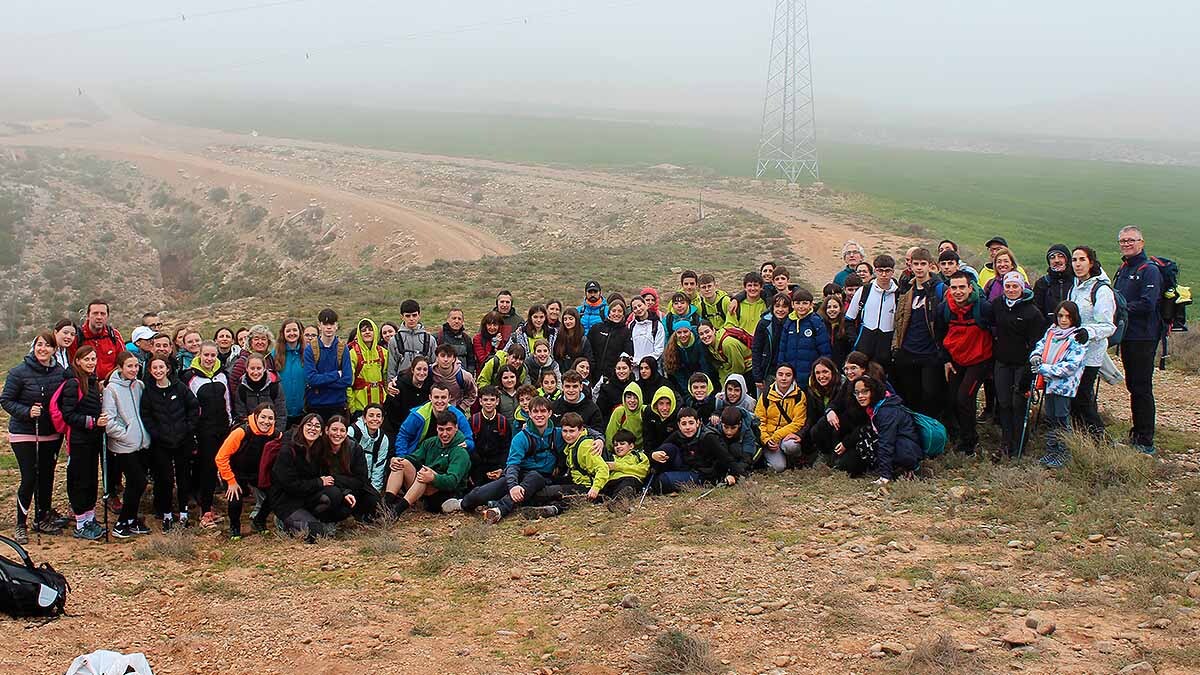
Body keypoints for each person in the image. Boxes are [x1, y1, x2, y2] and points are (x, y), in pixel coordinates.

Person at [450, 397, 562, 524]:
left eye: (543, 411)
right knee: (480, 495)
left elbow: (581, 431)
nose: (539, 415)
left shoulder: (558, 434)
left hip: (541, 479)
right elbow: (513, 465)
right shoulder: (521, 438)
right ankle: (463, 502)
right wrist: (513, 485)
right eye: (535, 412)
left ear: (550, 413)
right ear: (529, 414)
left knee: (534, 477)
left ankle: (499, 510)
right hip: (520, 475)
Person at [2, 330, 68, 543]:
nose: (43, 349)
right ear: (34, 347)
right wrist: (27, 411)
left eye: (47, 346)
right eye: (39, 345)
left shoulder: (59, 371)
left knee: (47, 476)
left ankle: (42, 517)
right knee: (30, 477)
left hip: (50, 433)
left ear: (54, 350)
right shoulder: (18, 372)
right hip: (24, 432)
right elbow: (6, 400)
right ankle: (20, 523)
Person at [1114, 225, 1163, 454]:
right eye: (1123, 241)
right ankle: (1138, 434)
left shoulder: (1149, 270)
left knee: (1141, 387)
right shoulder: (1124, 268)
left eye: (1131, 240)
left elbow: (1148, 303)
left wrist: (1120, 308)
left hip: (1144, 336)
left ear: (1141, 242)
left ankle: (1145, 441)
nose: (1126, 244)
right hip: (1128, 335)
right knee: (1133, 385)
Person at [140, 355, 199, 532]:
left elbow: (193, 408)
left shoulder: (179, 387)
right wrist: (157, 434)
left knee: (183, 478)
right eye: (154, 368)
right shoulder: (148, 392)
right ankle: (166, 515)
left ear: (168, 369)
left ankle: (183, 513)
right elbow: (147, 416)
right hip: (161, 444)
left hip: (182, 441)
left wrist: (187, 428)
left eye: (161, 367)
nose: (158, 371)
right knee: (164, 480)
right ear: (150, 371)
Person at [936, 272, 993, 455]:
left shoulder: (983, 308)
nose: (958, 291)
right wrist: (945, 359)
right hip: (956, 359)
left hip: (980, 360)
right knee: (952, 399)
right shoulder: (944, 309)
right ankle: (959, 434)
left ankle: (970, 441)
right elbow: (940, 334)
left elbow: (996, 331)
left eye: (962, 287)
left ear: (971, 287)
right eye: (954, 287)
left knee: (964, 398)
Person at [991, 271, 1046, 459]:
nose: (1011, 290)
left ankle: (1020, 444)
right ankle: (1006, 443)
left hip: (1022, 364)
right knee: (1004, 403)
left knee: (1018, 403)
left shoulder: (1032, 312)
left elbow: (1036, 344)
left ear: (1022, 288)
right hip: (1002, 362)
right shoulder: (997, 305)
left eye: (1015, 286)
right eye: (1008, 286)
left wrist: (1030, 373)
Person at [58, 346, 108, 540]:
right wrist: (93, 422)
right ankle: (80, 523)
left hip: (92, 438)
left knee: (90, 479)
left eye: (93, 359)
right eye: (86, 359)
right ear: (77, 361)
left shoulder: (92, 381)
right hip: (79, 440)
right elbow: (68, 414)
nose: (90, 362)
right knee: (79, 479)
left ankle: (90, 518)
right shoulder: (73, 383)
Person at [1030, 302, 1088, 467]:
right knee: (1051, 418)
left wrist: (1043, 368)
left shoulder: (1077, 338)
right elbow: (1040, 346)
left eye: (1068, 316)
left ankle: (1064, 452)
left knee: (1062, 419)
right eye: (1060, 315)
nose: (1063, 320)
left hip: (1064, 386)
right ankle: (1052, 451)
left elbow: (1070, 366)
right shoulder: (1051, 332)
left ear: (1074, 318)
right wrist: (1035, 356)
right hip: (1049, 384)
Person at [1068, 246, 1116, 440]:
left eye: (1082, 260)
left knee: (1083, 395)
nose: (1077, 264)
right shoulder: (1076, 288)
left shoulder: (1101, 290)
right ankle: (1081, 436)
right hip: (1073, 351)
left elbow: (1108, 326)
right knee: (1074, 395)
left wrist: (1088, 332)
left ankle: (1099, 438)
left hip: (1091, 353)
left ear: (1092, 263)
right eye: (1074, 260)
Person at [384, 411, 471, 516]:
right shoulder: (430, 442)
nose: (444, 434)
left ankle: (395, 513)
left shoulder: (460, 452)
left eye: (449, 429)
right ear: (437, 428)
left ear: (456, 428)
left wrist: (433, 478)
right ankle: (385, 505)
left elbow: (452, 482)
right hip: (423, 489)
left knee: (424, 475)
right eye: (441, 429)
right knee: (402, 463)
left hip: (444, 494)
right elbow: (413, 458)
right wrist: (396, 460)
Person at [103, 351, 152, 538]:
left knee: (137, 483)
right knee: (137, 481)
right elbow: (109, 420)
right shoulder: (111, 389)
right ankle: (122, 521)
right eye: (129, 366)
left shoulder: (139, 385)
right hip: (124, 446)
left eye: (136, 366)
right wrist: (125, 435)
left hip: (142, 443)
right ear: (120, 367)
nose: (133, 369)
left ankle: (131, 519)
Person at [184, 341, 233, 528]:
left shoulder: (222, 376)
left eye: (213, 356)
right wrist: (193, 432)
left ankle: (225, 507)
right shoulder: (190, 378)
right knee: (208, 470)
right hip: (203, 431)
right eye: (206, 355)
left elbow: (227, 401)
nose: (210, 359)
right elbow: (189, 406)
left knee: (225, 466)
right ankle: (205, 511)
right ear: (200, 355)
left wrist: (230, 422)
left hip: (223, 428)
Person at [890, 248, 943, 417]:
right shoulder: (907, 290)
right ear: (910, 266)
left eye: (923, 264)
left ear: (930, 266)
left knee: (930, 396)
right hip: (908, 351)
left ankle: (930, 433)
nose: (919, 268)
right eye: (916, 264)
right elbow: (899, 321)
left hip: (930, 353)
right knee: (910, 395)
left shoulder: (939, 290)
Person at [215, 403, 281, 538]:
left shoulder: (276, 435)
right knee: (235, 499)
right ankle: (234, 527)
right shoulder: (241, 432)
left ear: (275, 420)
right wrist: (231, 481)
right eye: (263, 417)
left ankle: (260, 520)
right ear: (256, 416)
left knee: (276, 492)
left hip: (257, 473)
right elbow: (221, 457)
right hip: (235, 472)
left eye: (270, 418)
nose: (266, 422)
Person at [650, 407, 741, 492]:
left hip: (703, 474)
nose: (688, 427)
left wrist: (734, 475)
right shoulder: (678, 435)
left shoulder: (708, 437)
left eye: (691, 423)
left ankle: (655, 484)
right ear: (679, 425)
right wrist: (653, 454)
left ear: (698, 423)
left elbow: (727, 458)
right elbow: (661, 447)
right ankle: (651, 478)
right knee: (668, 448)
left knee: (662, 480)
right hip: (687, 465)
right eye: (684, 424)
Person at [850, 376, 922, 483]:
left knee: (884, 445)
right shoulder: (876, 407)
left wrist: (885, 476)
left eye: (865, 391)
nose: (860, 396)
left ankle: (903, 470)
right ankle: (893, 470)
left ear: (873, 391)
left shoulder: (886, 412)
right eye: (857, 392)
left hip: (906, 450)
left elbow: (886, 441)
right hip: (900, 446)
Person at [844, 254, 899, 368]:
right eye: (880, 271)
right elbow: (849, 319)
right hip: (864, 346)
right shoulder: (864, 291)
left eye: (887, 271)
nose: (884, 274)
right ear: (875, 271)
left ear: (893, 272)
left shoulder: (898, 294)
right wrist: (856, 341)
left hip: (886, 347)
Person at [394, 384, 474, 457]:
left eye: (443, 397)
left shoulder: (458, 416)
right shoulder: (418, 415)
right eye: (436, 397)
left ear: (449, 398)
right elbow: (403, 436)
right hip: (420, 454)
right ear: (430, 397)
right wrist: (401, 457)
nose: (439, 401)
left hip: (447, 457)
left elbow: (469, 439)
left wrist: (467, 444)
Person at [754, 363, 807, 472]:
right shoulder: (766, 394)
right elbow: (759, 421)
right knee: (779, 467)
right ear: (776, 376)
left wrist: (777, 436)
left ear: (793, 378)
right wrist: (766, 440)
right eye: (780, 374)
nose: (784, 378)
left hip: (786, 436)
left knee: (792, 446)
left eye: (788, 375)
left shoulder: (799, 396)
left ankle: (795, 459)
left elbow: (798, 422)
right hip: (769, 437)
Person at [304, 308, 352, 421]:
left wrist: (321, 383)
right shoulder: (311, 349)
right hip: (315, 406)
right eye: (325, 324)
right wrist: (336, 375)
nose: (329, 327)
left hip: (338, 405)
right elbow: (311, 379)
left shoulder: (342, 348)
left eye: (332, 323)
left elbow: (348, 380)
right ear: (319, 326)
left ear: (336, 325)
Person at [777, 288, 831, 388]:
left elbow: (824, 350)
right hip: (791, 374)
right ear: (793, 305)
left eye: (805, 303)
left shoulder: (816, 323)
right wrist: (781, 368)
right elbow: (782, 349)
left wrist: (821, 372)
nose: (801, 307)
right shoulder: (788, 323)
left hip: (810, 374)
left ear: (811, 305)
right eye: (798, 303)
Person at [797, 357, 844, 465]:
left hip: (840, 427)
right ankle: (823, 454)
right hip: (821, 430)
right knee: (815, 429)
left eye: (825, 372)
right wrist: (800, 434)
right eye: (817, 373)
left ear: (833, 372)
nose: (821, 376)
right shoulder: (812, 390)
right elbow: (811, 417)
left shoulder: (842, 387)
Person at [556, 413, 609, 503]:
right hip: (575, 481)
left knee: (549, 492)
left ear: (580, 430)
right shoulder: (572, 444)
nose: (568, 435)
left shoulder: (585, 446)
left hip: (586, 486)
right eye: (565, 431)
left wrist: (595, 488)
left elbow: (603, 468)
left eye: (572, 431)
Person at [469, 386, 512, 487]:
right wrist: (470, 472)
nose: (489, 403)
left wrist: (501, 468)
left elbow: (507, 448)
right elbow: (469, 446)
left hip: (496, 466)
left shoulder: (503, 422)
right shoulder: (474, 421)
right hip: (477, 466)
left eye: (492, 400)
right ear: (480, 401)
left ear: (497, 401)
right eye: (485, 400)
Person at [387, 299, 438, 381]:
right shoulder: (394, 340)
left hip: (424, 384)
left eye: (414, 315)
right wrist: (391, 384)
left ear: (419, 315)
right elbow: (391, 367)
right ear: (402, 317)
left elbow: (435, 365)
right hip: (402, 384)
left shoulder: (430, 339)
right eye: (407, 316)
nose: (411, 319)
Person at [346, 318, 388, 417]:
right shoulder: (352, 354)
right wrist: (352, 407)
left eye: (370, 329)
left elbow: (386, 378)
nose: (367, 332)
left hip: (381, 405)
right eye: (363, 330)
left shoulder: (383, 353)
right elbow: (348, 383)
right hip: (360, 407)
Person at [233, 353, 288, 425]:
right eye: (252, 368)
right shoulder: (242, 388)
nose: (255, 372)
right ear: (247, 369)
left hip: (272, 430)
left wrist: (277, 432)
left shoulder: (274, 386)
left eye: (259, 368)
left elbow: (281, 413)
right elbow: (241, 415)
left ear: (264, 368)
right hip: (251, 430)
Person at [75, 300, 124, 381]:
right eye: (95, 313)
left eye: (103, 314)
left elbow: (123, 361)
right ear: (87, 316)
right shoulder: (77, 336)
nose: (99, 317)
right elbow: (72, 363)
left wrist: (108, 381)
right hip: (85, 385)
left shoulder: (114, 335)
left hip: (111, 384)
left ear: (107, 316)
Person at [348, 404, 390, 493]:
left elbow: (379, 466)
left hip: (367, 481)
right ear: (364, 418)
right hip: (348, 478)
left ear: (382, 420)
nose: (375, 419)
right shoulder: (352, 431)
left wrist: (375, 491)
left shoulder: (383, 439)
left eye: (378, 416)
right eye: (371, 415)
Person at [587, 294, 631, 381]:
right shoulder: (597, 328)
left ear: (623, 314)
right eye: (613, 311)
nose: (616, 314)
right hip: (593, 373)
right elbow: (588, 349)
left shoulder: (626, 332)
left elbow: (626, 353)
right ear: (609, 313)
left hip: (613, 376)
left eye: (620, 311)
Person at [662, 324, 714, 394]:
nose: (683, 335)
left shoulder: (699, 343)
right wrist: (688, 391)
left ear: (690, 331)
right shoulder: (673, 347)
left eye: (685, 331)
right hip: (686, 379)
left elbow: (705, 366)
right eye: (679, 333)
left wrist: (704, 386)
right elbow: (678, 372)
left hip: (702, 377)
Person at [274, 319, 307, 428]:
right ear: (283, 333)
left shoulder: (308, 353)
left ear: (300, 332)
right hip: (282, 412)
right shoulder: (275, 354)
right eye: (288, 331)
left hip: (304, 411)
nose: (291, 333)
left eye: (295, 330)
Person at [697, 321, 751, 386]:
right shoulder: (709, 347)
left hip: (749, 370)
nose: (705, 336)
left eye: (707, 332)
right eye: (701, 334)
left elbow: (739, 368)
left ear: (713, 330)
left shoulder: (727, 344)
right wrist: (723, 385)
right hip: (733, 372)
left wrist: (728, 386)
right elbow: (722, 367)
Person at [603, 429, 650, 502]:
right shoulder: (611, 457)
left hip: (631, 481)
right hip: (612, 482)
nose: (618, 447)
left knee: (628, 482)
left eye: (622, 444)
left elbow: (643, 471)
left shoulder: (639, 456)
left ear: (631, 446)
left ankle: (619, 501)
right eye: (615, 445)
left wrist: (617, 467)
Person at [1033, 245, 1073, 325]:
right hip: (1050, 331)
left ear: (1067, 260)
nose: (1056, 260)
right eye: (1052, 257)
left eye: (1061, 256)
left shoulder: (1077, 281)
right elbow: (1037, 312)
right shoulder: (1042, 283)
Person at [431, 343, 478, 411]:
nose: (446, 359)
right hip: (433, 409)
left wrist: (462, 407)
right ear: (437, 358)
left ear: (454, 359)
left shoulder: (464, 376)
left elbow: (473, 394)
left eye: (449, 356)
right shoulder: (430, 373)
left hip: (455, 410)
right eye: (442, 356)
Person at [595, 355, 637, 420]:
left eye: (624, 368)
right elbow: (601, 411)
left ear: (630, 369)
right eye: (618, 368)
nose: (621, 371)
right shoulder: (607, 388)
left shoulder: (636, 386)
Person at [642, 386, 679, 458]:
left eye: (668, 403)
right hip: (653, 453)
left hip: (672, 453)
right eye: (661, 403)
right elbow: (647, 438)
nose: (665, 408)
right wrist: (652, 454)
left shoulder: (677, 415)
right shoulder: (649, 413)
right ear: (656, 405)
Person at [626, 295, 665, 363]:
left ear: (646, 305)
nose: (638, 309)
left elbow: (659, 349)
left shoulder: (657, 325)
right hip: (635, 367)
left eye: (640, 305)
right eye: (635, 308)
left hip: (652, 367)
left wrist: (645, 362)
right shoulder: (631, 326)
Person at [605, 383, 645, 448]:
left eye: (635, 398)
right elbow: (610, 434)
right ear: (624, 399)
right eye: (629, 397)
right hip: (622, 451)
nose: (632, 400)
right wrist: (610, 453)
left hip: (641, 450)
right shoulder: (619, 411)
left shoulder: (644, 411)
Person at [553, 307, 593, 373]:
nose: (568, 322)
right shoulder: (559, 337)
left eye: (570, 319)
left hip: (578, 375)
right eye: (565, 319)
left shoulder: (583, 340)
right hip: (562, 374)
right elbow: (556, 357)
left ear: (576, 320)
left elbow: (589, 360)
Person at [437, 308, 476, 374]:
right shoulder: (438, 337)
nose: (457, 321)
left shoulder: (467, 339)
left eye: (459, 319)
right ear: (448, 320)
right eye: (454, 318)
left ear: (463, 321)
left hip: (462, 378)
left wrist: (469, 375)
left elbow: (471, 361)